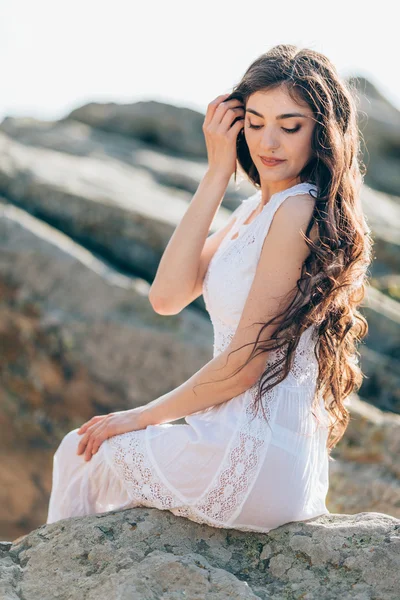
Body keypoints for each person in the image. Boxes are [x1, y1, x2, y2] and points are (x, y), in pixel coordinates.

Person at [46, 44, 373, 533]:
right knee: (83, 451)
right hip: (249, 448)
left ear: (323, 133)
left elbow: (244, 365)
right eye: (256, 122)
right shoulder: (256, 212)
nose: (269, 142)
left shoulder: (297, 210)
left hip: (252, 457)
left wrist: (142, 417)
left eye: (290, 125)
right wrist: (218, 172)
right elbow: (167, 296)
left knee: (80, 452)